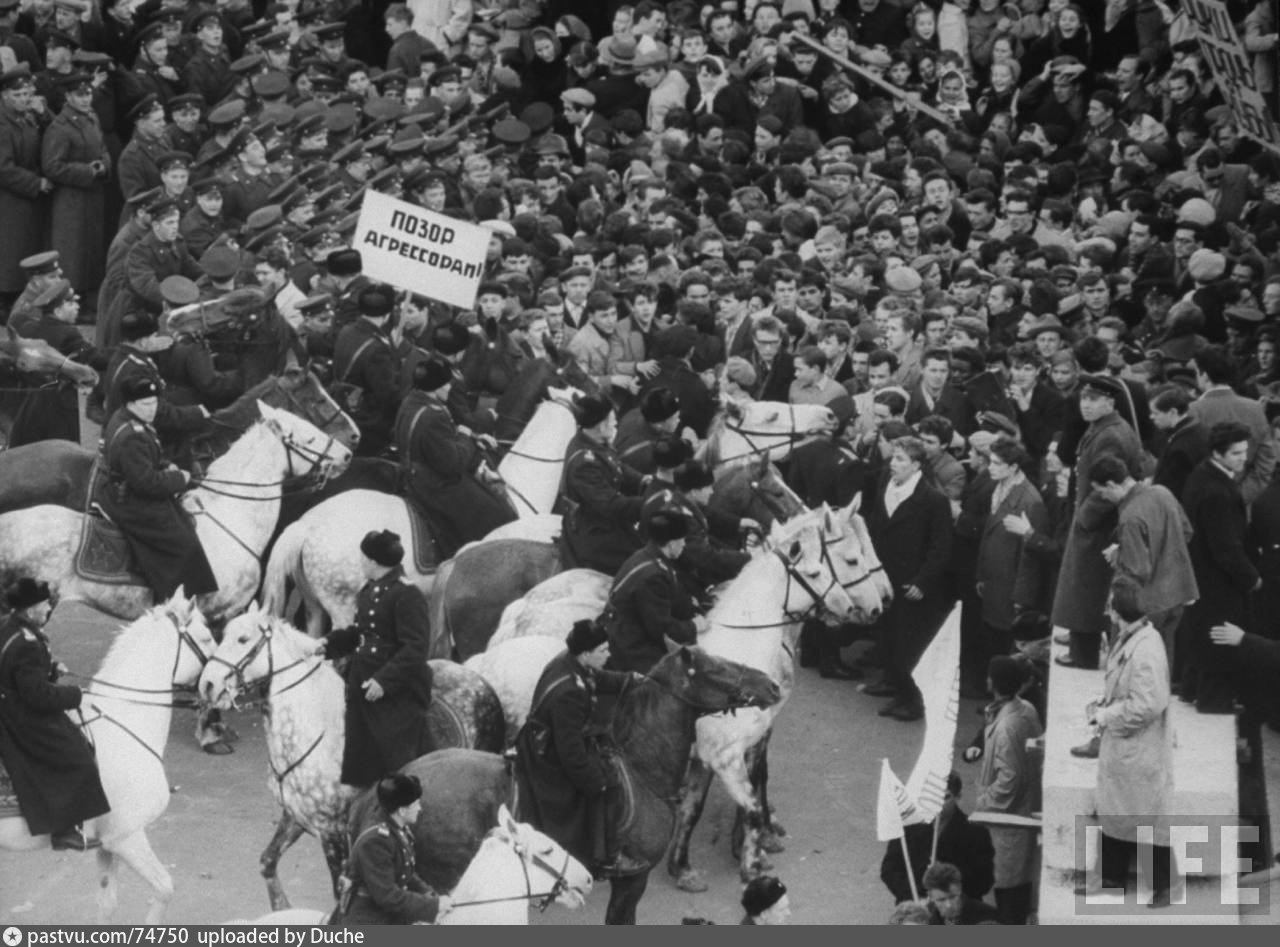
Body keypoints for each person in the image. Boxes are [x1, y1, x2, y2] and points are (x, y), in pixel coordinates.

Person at [513, 619, 649, 879]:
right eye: (603, 651)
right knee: (607, 784)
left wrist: (630, 680)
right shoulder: (569, 693)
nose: (609, 654)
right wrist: (593, 781)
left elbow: (597, 678)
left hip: (547, 738)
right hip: (547, 754)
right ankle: (606, 858)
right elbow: (570, 752)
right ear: (586, 653)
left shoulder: (570, 661)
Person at [1080, 578, 1180, 908]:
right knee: (1118, 812)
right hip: (1128, 748)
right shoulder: (1137, 638)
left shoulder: (1145, 647)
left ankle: (1163, 887)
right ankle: (1111, 879)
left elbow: (1148, 704)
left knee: (1145, 817)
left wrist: (1107, 716)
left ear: (1117, 610)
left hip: (1138, 747)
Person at [0, 578, 110, 852]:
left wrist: (50, 669)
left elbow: (16, 671)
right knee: (76, 756)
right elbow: (37, 697)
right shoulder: (27, 643)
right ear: (30, 609)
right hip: (19, 715)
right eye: (45, 603)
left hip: (8, 701)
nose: (49, 607)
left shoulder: (9, 625)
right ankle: (65, 831)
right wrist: (75, 695)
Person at [317, 530, 433, 787]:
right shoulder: (369, 590)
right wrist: (327, 645)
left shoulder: (406, 594)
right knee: (361, 753)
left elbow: (415, 647)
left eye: (363, 558)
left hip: (397, 691)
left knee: (391, 754)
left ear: (373, 561)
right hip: (363, 681)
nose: (360, 562)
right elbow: (362, 634)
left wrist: (384, 681)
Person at [91, 376, 219, 602]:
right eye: (146, 405)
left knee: (183, 518)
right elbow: (146, 483)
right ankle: (172, 599)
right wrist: (179, 478)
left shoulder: (127, 419)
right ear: (130, 404)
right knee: (182, 542)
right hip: (129, 500)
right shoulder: (133, 435)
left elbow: (143, 461)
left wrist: (165, 466)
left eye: (155, 404)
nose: (152, 410)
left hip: (122, 488)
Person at [862, 435, 954, 722]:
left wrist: (922, 582)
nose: (893, 464)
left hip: (911, 584)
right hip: (884, 580)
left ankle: (914, 701)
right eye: (893, 458)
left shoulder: (933, 499)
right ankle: (895, 688)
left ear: (916, 465)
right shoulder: (885, 488)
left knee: (910, 645)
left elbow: (941, 547)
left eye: (900, 459)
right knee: (888, 637)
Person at [395, 356, 514, 560]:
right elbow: (453, 464)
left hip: (411, 473)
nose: (450, 387)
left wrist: (471, 435)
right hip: (434, 484)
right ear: (435, 387)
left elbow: (441, 438)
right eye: (446, 383)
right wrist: (467, 439)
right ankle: (478, 561)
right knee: (496, 513)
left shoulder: (412, 400)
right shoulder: (434, 415)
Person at [1179, 421, 1259, 714]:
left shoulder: (1203, 475)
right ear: (1218, 453)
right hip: (1218, 582)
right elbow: (1226, 547)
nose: (1243, 458)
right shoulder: (1217, 491)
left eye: (1244, 452)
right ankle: (1214, 702)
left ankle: (1190, 691)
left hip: (1201, 578)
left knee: (1201, 636)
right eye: (1236, 453)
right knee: (1220, 639)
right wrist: (1251, 578)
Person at [975, 655, 1042, 925]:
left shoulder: (1006, 725)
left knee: (1009, 891)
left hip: (1008, 818)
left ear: (992, 682)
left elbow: (1009, 778)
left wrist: (984, 801)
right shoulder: (1025, 708)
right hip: (1024, 810)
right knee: (1018, 882)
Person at [339, 773, 451, 925]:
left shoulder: (397, 828)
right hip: (369, 920)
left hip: (388, 915)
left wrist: (431, 896)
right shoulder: (375, 842)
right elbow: (387, 896)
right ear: (402, 811)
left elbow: (406, 874)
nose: (420, 808)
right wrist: (432, 906)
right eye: (416, 804)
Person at [602, 510, 705, 674]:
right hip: (631, 645)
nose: (684, 544)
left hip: (632, 629)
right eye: (682, 540)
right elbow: (660, 628)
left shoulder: (648, 556)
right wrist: (693, 626)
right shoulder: (652, 575)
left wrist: (693, 609)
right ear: (671, 544)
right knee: (689, 674)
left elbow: (672, 596)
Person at [558, 392, 650, 574]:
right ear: (601, 426)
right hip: (595, 532)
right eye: (613, 420)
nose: (616, 423)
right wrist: (648, 504)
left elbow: (615, 466)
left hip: (605, 520)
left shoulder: (591, 441)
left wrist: (643, 480)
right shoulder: (584, 462)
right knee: (642, 565)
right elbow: (610, 506)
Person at [880, 772, 995, 905]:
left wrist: (947, 879)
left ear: (958, 797)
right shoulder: (909, 826)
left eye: (946, 797)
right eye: (934, 798)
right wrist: (912, 896)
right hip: (916, 905)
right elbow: (889, 869)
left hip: (957, 908)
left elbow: (985, 881)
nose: (939, 805)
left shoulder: (976, 833)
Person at [923, 861, 1000, 924]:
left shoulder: (987, 916)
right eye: (941, 900)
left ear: (960, 888)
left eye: (953, 897)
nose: (948, 905)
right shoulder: (930, 921)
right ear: (930, 896)